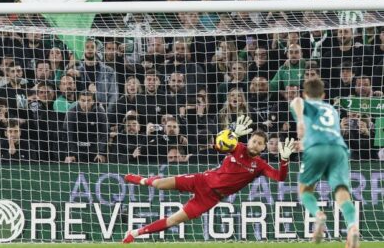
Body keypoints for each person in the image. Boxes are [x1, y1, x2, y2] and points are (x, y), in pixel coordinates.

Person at [122, 115, 294, 243]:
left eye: (259, 143)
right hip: (201, 180)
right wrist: (232, 132)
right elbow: (219, 144)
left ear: (264, 148)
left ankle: (135, 233)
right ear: (248, 141)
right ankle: (141, 180)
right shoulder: (236, 147)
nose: (255, 145)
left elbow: (279, 177)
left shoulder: (260, 165)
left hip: (210, 198)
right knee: (159, 184)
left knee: (173, 220)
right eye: (253, 141)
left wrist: (284, 160)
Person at [290, 78, 360, 247]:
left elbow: (296, 101)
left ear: (305, 94)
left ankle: (318, 215)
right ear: (323, 95)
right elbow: (324, 131)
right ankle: (352, 226)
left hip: (316, 149)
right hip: (339, 149)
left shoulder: (305, 103)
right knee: (342, 191)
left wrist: (300, 121)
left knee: (305, 190)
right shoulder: (331, 110)